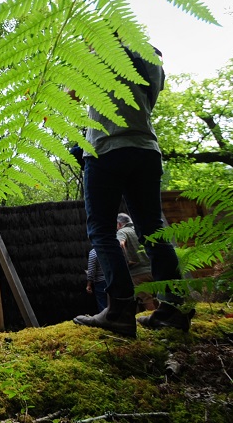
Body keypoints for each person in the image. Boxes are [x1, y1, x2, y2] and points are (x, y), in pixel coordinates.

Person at [73, 43, 191, 337]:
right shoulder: (152, 59)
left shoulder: (98, 53)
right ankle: (172, 309)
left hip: (105, 149)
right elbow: (150, 99)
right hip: (145, 149)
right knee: (153, 230)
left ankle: (119, 310)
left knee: (101, 231)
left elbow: (70, 92)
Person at [117, 213, 157, 312]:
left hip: (138, 274)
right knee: (157, 298)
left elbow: (120, 244)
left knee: (147, 300)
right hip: (154, 270)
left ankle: (154, 320)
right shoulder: (142, 230)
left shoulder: (122, 232)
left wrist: (127, 261)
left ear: (119, 224)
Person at [85, 246, 107, 313]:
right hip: (113, 280)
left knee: (103, 305)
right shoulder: (111, 249)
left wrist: (88, 285)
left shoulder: (94, 252)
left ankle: (105, 318)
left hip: (101, 282)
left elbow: (91, 271)